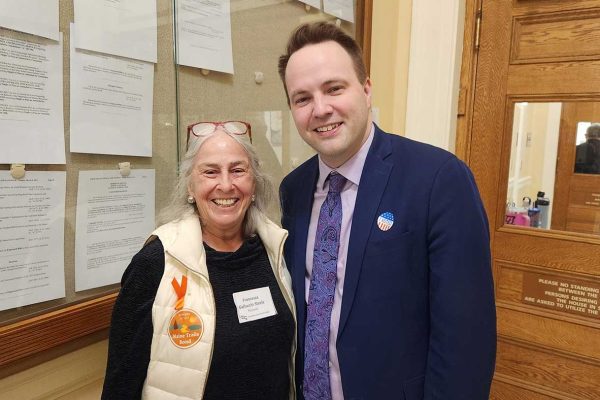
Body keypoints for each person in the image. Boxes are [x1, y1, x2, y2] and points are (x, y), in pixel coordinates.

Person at [278, 22, 496, 400]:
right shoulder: (293, 190)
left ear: (365, 88)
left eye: (334, 88)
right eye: (302, 98)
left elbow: (466, 340)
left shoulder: (438, 180)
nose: (321, 109)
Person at [102, 121, 296, 400]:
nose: (226, 184)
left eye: (238, 170)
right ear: (190, 186)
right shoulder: (157, 262)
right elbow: (121, 382)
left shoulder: (276, 250)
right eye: (210, 172)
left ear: (254, 183)